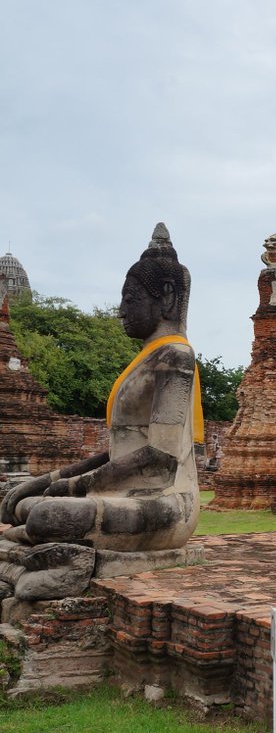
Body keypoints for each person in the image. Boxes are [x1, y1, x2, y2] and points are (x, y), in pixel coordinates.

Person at [0, 223, 201, 600]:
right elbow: (118, 453)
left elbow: (160, 458)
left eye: (130, 298)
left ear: (167, 297)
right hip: (126, 494)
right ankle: (26, 558)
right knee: (26, 503)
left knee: (46, 515)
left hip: (165, 502)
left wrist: (72, 488)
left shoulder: (176, 358)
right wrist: (46, 480)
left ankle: (31, 560)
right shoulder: (145, 360)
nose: (121, 309)